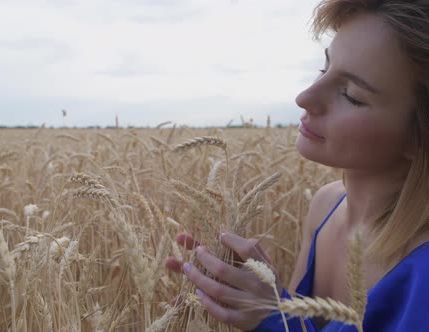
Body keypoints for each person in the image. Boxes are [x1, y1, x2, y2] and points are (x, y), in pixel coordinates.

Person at [165, 0, 429, 330]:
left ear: (419, 136)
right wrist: (239, 296)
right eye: (324, 68)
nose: (304, 97)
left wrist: (270, 317)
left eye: (350, 93)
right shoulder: (325, 205)